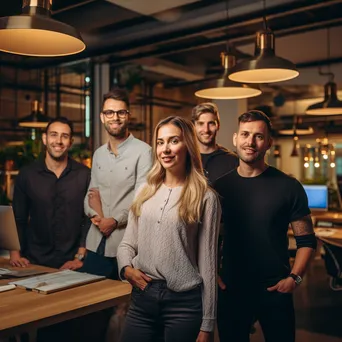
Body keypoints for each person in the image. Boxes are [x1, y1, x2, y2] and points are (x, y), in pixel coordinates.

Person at [215, 110, 316, 342]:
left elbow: (306, 240)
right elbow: (211, 238)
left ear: (269, 142)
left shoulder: (289, 187)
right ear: (235, 139)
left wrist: (295, 278)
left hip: (276, 289)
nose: (250, 142)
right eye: (245, 134)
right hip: (231, 289)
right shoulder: (219, 188)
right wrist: (215, 275)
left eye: (258, 136)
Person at [117, 116, 221, 342]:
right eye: (160, 142)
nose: (165, 149)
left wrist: (207, 324)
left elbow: (208, 264)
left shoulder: (206, 197)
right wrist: (126, 268)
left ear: (188, 146)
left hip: (184, 305)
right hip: (142, 298)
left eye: (173, 141)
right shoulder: (145, 190)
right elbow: (127, 243)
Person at [82, 87, 152, 279]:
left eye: (121, 112)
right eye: (109, 112)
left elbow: (143, 199)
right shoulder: (98, 154)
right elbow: (91, 195)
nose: (115, 117)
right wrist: (98, 217)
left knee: (123, 305)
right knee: (90, 304)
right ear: (102, 117)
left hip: (126, 247)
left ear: (128, 116)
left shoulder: (144, 152)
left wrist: (114, 221)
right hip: (95, 244)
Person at [10, 117, 91, 270]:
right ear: (45, 139)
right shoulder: (27, 175)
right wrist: (15, 254)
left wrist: (79, 257)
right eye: (54, 135)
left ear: (71, 142)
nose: (58, 141)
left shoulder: (85, 175)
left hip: (73, 264)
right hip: (33, 261)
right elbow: (18, 217)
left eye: (64, 136)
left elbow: (88, 220)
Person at [192, 102, 238, 185]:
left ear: (218, 125)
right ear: (193, 127)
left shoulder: (232, 161)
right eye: (201, 124)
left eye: (211, 123)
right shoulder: (185, 158)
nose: (206, 130)